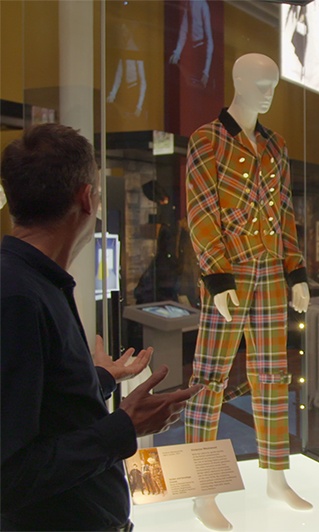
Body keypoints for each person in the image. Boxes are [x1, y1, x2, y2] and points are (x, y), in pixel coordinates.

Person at [0, 123, 202, 531]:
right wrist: (124, 427)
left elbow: (41, 406)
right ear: (87, 197)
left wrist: (99, 378)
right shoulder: (17, 296)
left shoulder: (36, 283)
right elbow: (9, 475)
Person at [185, 53, 312, 530]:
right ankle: (203, 490)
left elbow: (286, 213)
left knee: (273, 375)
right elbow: (201, 214)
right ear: (237, 80)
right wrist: (215, 277)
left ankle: (277, 474)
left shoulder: (276, 145)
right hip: (229, 276)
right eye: (260, 83)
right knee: (209, 380)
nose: (267, 92)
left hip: (271, 276)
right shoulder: (207, 141)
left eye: (273, 84)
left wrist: (295, 271)